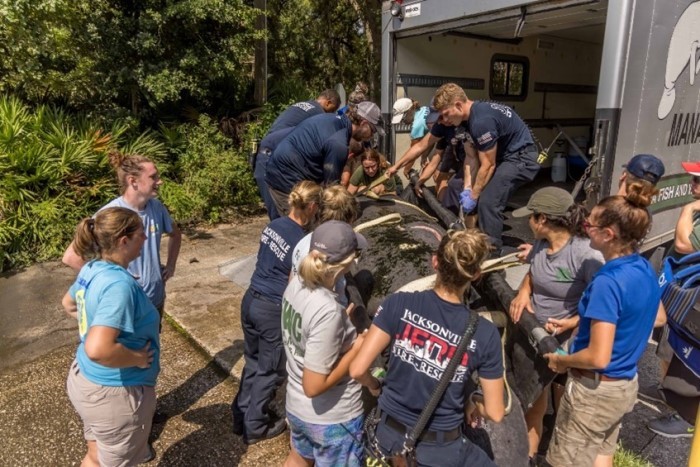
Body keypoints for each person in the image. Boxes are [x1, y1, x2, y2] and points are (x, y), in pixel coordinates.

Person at [350, 229, 505, 467]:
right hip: (440, 450)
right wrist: (473, 399)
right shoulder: (484, 334)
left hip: (387, 437)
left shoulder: (398, 304)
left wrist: (375, 386)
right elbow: (495, 413)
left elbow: (358, 369)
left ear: (434, 261)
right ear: (475, 275)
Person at [543, 182, 663, 467]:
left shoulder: (607, 282)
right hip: (623, 386)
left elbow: (597, 356)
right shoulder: (643, 267)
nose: (585, 228)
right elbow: (659, 317)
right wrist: (580, 320)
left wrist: (564, 363)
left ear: (608, 235)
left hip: (593, 392)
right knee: (601, 454)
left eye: (589, 224)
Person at [508, 187, 604, 463]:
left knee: (565, 411)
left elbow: (603, 303)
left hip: (565, 345)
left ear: (543, 219)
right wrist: (524, 291)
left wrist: (573, 321)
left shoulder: (585, 254)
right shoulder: (541, 244)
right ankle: (528, 457)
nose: (527, 222)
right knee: (533, 405)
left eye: (530, 217)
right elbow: (534, 272)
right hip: (535, 336)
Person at [389, 83, 540, 254]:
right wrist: (468, 188)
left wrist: (474, 195)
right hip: (499, 157)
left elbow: (488, 165)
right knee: (462, 190)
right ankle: (471, 239)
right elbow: (469, 157)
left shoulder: (481, 121)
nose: (444, 121)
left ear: (459, 105)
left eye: (445, 115)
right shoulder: (461, 121)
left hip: (520, 158)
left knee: (488, 201)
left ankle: (491, 252)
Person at [62, 207, 160, 467]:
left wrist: (97, 325)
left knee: (96, 456)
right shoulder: (119, 286)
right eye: (141, 234)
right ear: (123, 241)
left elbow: (69, 304)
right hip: (115, 395)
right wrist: (137, 357)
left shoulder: (93, 267)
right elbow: (97, 348)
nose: (146, 239)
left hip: (85, 382)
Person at [281, 220, 379, 467]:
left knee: (299, 456)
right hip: (332, 418)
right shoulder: (327, 311)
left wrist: (340, 328)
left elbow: (305, 335)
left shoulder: (295, 284)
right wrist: (356, 348)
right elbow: (313, 386)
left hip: (296, 406)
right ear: (347, 262)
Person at [231, 181, 322, 445]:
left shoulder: (273, 226)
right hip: (271, 308)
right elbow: (297, 282)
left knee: (253, 361)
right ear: (313, 206)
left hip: (250, 299)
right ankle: (256, 426)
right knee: (270, 371)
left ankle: (241, 415)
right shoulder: (302, 241)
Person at [63, 151, 181, 318]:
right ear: (133, 181)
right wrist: (112, 278)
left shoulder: (156, 207)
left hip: (155, 299)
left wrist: (170, 266)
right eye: (153, 177)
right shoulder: (111, 215)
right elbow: (71, 257)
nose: (159, 181)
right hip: (127, 305)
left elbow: (175, 234)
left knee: (152, 343)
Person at [515, 153, 665, 262]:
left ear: (623, 176)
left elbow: (583, 245)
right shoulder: (643, 214)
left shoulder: (611, 210)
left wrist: (539, 254)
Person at [645, 160, 700, 438]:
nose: (693, 185)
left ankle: (687, 416)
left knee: (690, 358)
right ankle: (669, 392)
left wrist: (688, 209)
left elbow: (683, 244)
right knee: (670, 345)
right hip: (681, 293)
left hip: (693, 300)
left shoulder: (696, 209)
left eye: (697, 181)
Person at [265, 101, 385, 217]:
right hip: (285, 178)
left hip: (285, 167)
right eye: (373, 130)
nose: (370, 137)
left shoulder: (330, 118)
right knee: (302, 227)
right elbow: (331, 191)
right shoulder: (339, 144)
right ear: (364, 123)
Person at [254, 90, 341, 219]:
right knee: (284, 212)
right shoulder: (319, 114)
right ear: (328, 103)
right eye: (332, 110)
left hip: (266, 152)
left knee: (277, 209)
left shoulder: (303, 106)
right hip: (274, 155)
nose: (331, 114)